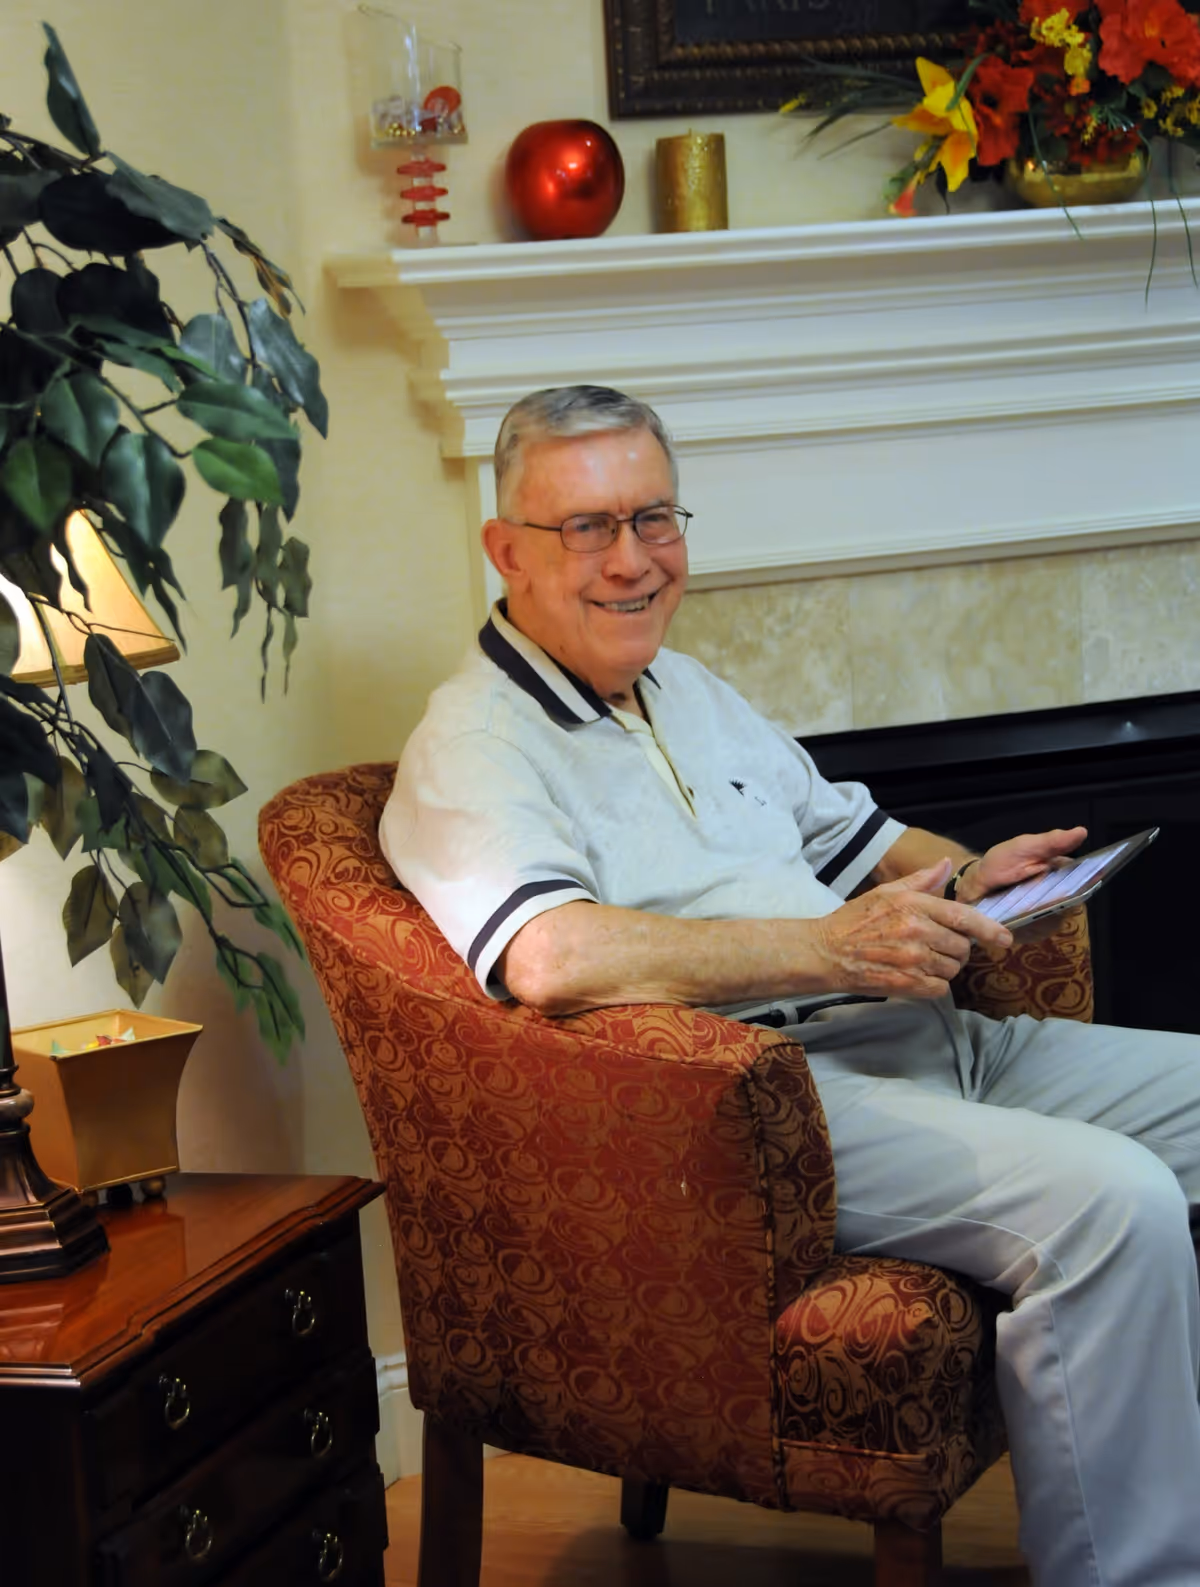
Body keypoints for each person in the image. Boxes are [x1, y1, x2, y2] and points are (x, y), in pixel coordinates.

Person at [382, 384, 1200, 1587]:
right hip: (771, 1113)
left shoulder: (689, 691)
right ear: (507, 551)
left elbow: (860, 842)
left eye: (654, 519)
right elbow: (550, 958)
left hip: (925, 1036)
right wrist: (829, 952)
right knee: (1113, 1201)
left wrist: (976, 878)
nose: (633, 560)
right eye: (590, 528)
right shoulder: (473, 746)